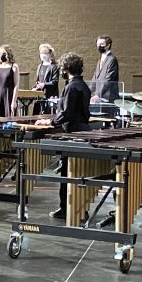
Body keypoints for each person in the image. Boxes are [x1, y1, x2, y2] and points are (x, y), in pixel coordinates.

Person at [35, 52, 92, 219]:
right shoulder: (84, 86)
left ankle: (65, 208)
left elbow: (65, 113)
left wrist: (49, 123)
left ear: (66, 70)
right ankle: (81, 207)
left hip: (72, 133)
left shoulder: (71, 87)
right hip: (83, 131)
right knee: (79, 172)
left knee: (68, 172)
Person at [89, 34, 119, 103]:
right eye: (98, 44)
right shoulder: (100, 60)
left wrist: (98, 95)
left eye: (102, 44)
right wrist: (88, 92)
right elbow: (95, 78)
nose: (99, 46)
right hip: (98, 97)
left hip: (108, 97)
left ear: (108, 45)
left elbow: (108, 79)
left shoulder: (112, 59)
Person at [0, 45, 20, 117]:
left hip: (8, 94)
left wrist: (14, 101)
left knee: (8, 118)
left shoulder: (14, 66)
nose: (1, 55)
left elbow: (16, 85)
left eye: (3, 53)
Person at [33, 43, 59, 115]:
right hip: (39, 96)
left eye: (45, 53)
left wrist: (44, 85)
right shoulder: (40, 66)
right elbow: (37, 81)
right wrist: (35, 88)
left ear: (50, 54)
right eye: (41, 53)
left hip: (50, 95)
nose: (43, 55)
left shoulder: (54, 67)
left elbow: (55, 82)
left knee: (48, 114)